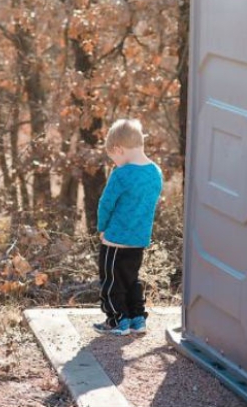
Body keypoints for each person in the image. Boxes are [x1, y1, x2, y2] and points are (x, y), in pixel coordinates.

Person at [93, 119, 163, 336]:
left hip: (115, 240)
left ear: (119, 149)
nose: (115, 163)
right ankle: (137, 319)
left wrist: (102, 227)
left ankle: (117, 321)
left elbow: (106, 203)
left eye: (114, 158)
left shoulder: (121, 174)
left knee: (111, 282)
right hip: (139, 240)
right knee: (131, 280)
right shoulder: (155, 172)